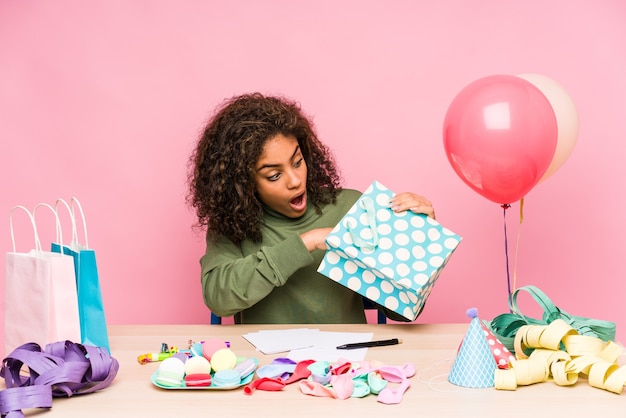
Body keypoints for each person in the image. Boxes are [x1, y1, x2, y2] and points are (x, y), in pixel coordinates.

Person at [187, 92, 436, 324]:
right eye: (274, 175)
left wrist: (420, 240)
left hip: (346, 364)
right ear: (243, 183)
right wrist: (306, 242)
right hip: (268, 367)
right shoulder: (232, 225)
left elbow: (402, 311)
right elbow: (219, 299)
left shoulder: (351, 208)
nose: (295, 180)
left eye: (297, 162)